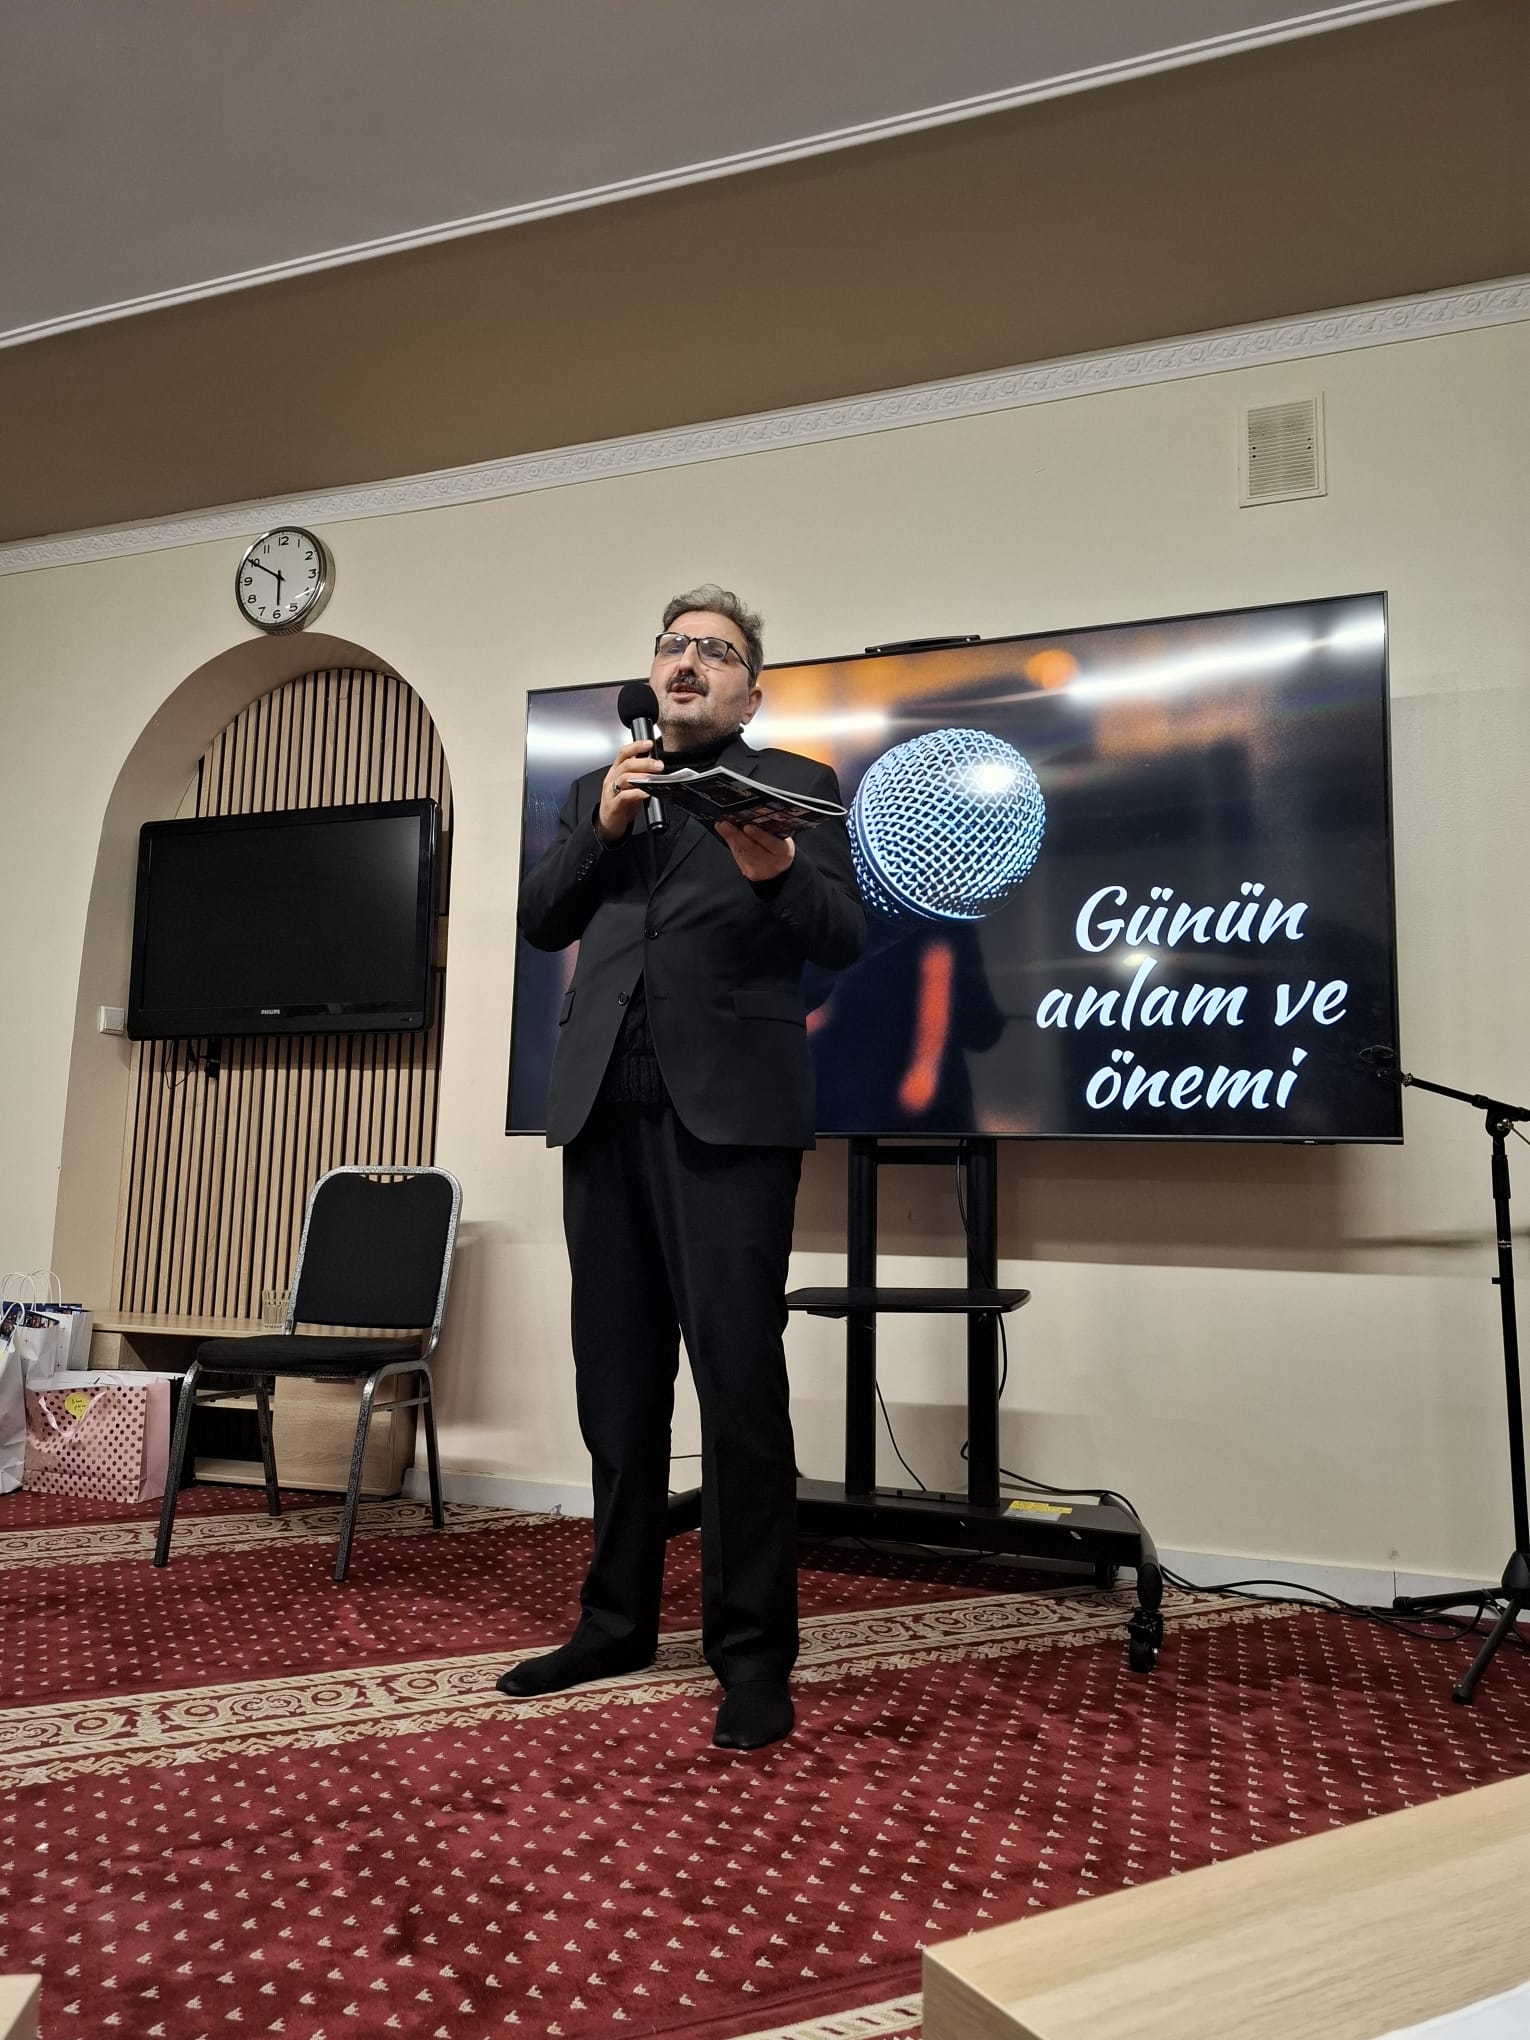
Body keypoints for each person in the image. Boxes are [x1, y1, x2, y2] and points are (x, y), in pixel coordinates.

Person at [504, 584, 865, 1750]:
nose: (688, 661)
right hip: (602, 1113)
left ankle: (751, 1654)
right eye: (674, 646)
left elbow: (844, 938)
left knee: (739, 1390)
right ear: (653, 674)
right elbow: (542, 922)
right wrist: (600, 832)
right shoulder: (597, 790)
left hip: (731, 1124)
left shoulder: (796, 788)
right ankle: (613, 1621)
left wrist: (774, 870)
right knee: (617, 1386)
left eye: (715, 650)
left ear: (750, 695)